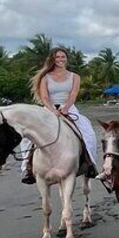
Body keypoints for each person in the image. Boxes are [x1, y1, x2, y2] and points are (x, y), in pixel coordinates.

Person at [20, 47, 99, 184]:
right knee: (27, 136)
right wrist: (52, 110)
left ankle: (90, 163)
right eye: (57, 57)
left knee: (88, 133)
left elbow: (73, 95)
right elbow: (44, 97)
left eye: (63, 57)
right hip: (48, 108)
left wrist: (66, 108)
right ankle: (26, 167)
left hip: (68, 108)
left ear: (66, 59)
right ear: (53, 59)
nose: (61, 59)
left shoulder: (75, 77)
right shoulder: (45, 78)